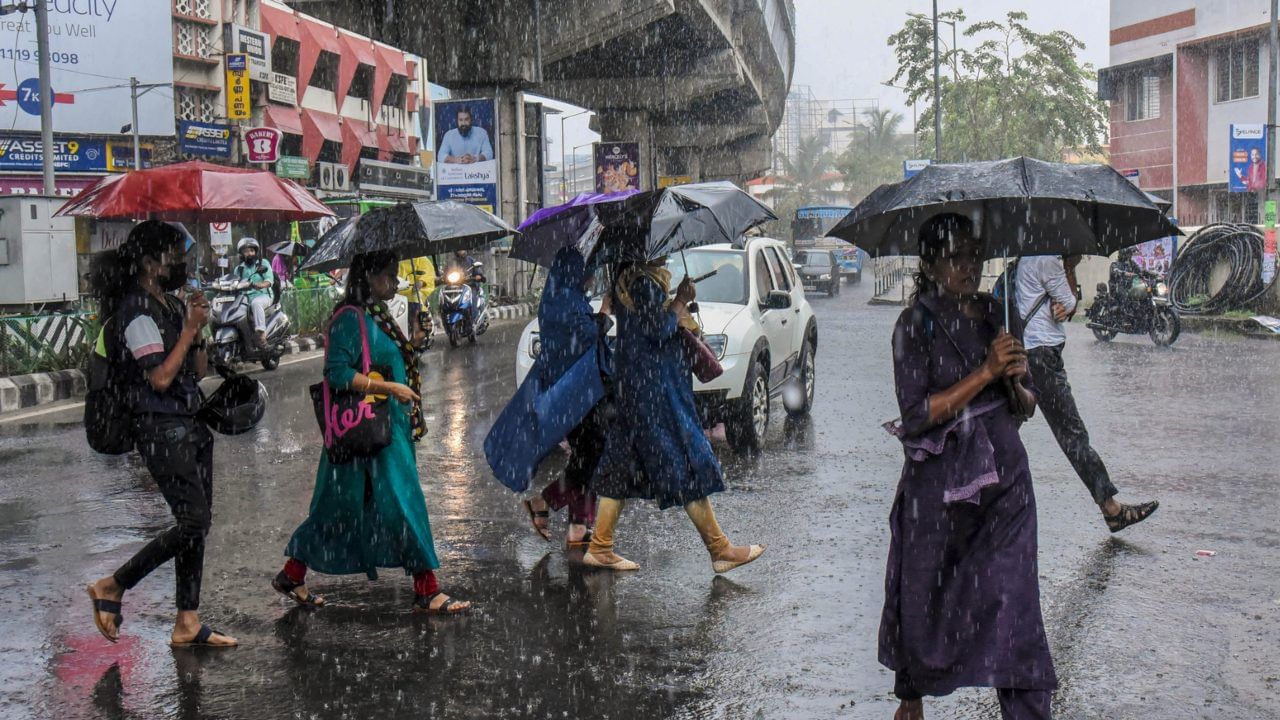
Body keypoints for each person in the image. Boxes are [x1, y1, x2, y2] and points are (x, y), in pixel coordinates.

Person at [881, 213, 1055, 720]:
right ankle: (911, 695)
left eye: (974, 255)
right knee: (926, 595)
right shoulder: (913, 325)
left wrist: (1016, 380)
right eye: (955, 256)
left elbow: (1025, 407)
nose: (968, 266)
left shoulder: (997, 313)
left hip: (1005, 487)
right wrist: (985, 372)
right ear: (931, 262)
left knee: (1014, 599)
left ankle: (1026, 709)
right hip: (938, 490)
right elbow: (917, 417)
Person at [273, 250, 470, 614]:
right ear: (368, 278)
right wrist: (391, 389)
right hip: (368, 433)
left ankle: (292, 574)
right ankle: (427, 589)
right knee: (403, 503)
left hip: (380, 431)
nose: (394, 283)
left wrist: (414, 338)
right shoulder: (349, 318)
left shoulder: (376, 315)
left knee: (337, 511)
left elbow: (387, 360)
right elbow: (337, 374)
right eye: (388, 276)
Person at [84, 220, 237, 648]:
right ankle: (114, 584)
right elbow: (160, 378)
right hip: (159, 427)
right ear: (151, 262)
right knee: (193, 520)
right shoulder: (135, 311)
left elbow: (197, 371)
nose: (181, 262)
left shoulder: (169, 305)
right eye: (174, 254)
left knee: (197, 525)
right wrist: (188, 330)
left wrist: (197, 327)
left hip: (190, 422)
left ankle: (187, 620)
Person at [586, 258, 765, 573]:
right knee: (683, 463)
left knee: (620, 466)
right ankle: (720, 549)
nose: (665, 254)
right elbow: (657, 330)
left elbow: (644, 328)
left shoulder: (626, 279)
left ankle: (600, 546)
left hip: (635, 387)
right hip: (655, 392)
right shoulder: (643, 282)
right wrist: (681, 300)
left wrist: (675, 303)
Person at [1017, 254, 1159, 533]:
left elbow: (1067, 306)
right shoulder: (1046, 259)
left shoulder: (1033, 257)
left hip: (1037, 352)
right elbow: (1070, 303)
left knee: (1008, 424)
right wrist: (1069, 267)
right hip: (1042, 356)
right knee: (1072, 434)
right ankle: (1112, 510)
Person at [522, 248, 613, 547]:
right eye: (587, 271)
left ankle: (578, 525)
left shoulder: (563, 297)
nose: (591, 278)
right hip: (574, 391)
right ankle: (545, 501)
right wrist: (604, 314)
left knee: (586, 454)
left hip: (577, 388)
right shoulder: (564, 302)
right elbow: (584, 335)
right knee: (594, 453)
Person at [231, 238, 275, 349]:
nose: (249, 253)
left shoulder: (263, 263)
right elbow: (234, 282)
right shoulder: (238, 269)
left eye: (251, 250)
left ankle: (261, 335)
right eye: (246, 251)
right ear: (241, 254)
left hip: (263, 295)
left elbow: (269, 281)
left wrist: (259, 285)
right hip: (245, 299)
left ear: (256, 252)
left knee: (256, 303)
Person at [398, 255, 436, 329]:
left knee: (415, 298)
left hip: (415, 291)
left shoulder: (421, 258)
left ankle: (417, 327)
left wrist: (421, 282)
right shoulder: (392, 260)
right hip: (396, 293)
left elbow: (428, 273)